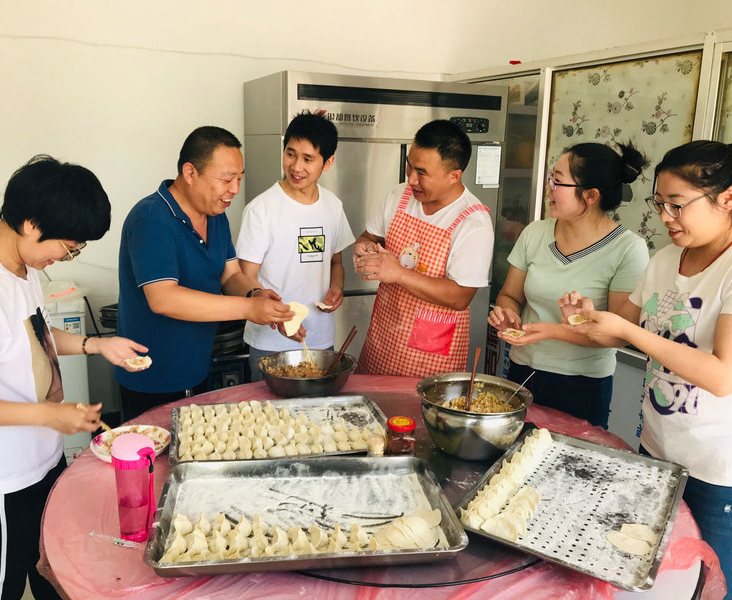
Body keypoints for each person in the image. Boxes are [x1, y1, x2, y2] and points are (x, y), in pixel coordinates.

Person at [0, 155, 148, 600]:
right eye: (69, 246)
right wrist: (47, 414)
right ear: (30, 224)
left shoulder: (21, 268)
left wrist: (96, 345)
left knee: (54, 575)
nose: (66, 256)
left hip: (39, 464)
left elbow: (32, 335)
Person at [559, 140, 732, 599]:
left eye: (677, 205)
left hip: (720, 469)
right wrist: (588, 318)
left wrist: (629, 330)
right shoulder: (665, 259)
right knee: (662, 579)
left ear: (727, 199)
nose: (665, 217)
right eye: (659, 203)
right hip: (659, 448)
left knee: (714, 587)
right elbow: (620, 331)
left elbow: (724, 376)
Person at [116, 126, 293, 420]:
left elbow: (230, 276)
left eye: (239, 179)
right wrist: (248, 308)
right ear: (190, 172)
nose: (235, 189)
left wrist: (256, 294)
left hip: (197, 367)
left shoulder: (216, 217)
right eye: (227, 179)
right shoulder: (151, 218)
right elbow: (163, 299)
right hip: (151, 376)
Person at [488, 142, 649, 429]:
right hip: (522, 370)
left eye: (557, 181)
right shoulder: (535, 233)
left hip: (582, 383)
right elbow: (510, 294)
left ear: (591, 195)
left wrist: (552, 331)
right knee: (512, 452)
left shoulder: (628, 249)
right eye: (551, 177)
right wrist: (507, 313)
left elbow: (620, 334)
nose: (549, 187)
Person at [353, 119, 494, 378]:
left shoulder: (473, 223)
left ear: (454, 176)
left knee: (418, 404)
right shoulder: (399, 196)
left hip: (431, 351)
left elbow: (460, 297)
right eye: (409, 165)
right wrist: (364, 247)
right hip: (384, 336)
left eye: (422, 172)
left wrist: (399, 273)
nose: (411, 179)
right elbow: (369, 235)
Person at [236, 111, 354, 381]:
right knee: (266, 408)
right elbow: (245, 278)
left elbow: (336, 262)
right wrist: (278, 319)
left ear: (328, 162)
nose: (296, 166)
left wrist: (337, 287)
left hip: (320, 339)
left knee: (317, 406)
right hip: (270, 342)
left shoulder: (333, 206)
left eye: (308, 159)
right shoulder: (261, 209)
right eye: (290, 154)